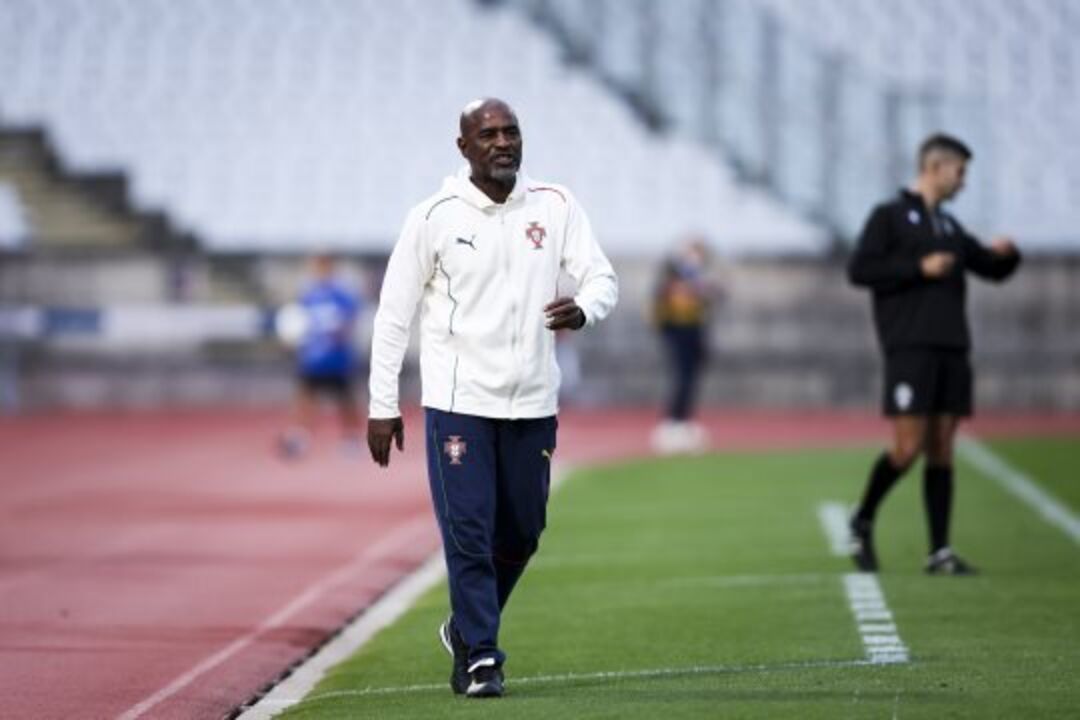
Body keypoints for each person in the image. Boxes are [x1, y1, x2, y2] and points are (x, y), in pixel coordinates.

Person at [366, 98, 617, 698]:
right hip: (459, 401)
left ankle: (464, 626)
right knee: (468, 533)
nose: (503, 143)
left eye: (511, 132)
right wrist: (383, 404)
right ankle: (482, 656)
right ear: (464, 147)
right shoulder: (433, 216)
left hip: (533, 401)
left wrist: (585, 308)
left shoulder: (555, 205)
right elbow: (393, 316)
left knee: (523, 531)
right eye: (489, 135)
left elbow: (601, 276)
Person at [847, 133, 1020, 575]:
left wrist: (1008, 255)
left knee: (942, 446)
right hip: (910, 347)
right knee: (908, 447)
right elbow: (860, 269)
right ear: (935, 167)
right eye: (959, 172)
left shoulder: (948, 226)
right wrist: (916, 268)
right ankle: (862, 518)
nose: (963, 182)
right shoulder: (889, 216)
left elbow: (989, 268)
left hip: (952, 347)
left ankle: (939, 551)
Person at [277, 253, 363, 458]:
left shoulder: (342, 295)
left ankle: (351, 440)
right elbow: (297, 323)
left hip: (336, 358)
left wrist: (336, 334)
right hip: (312, 359)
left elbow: (349, 322)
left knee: (346, 401)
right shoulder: (308, 296)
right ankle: (299, 438)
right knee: (305, 399)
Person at [649, 237, 720, 453]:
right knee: (682, 375)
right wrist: (665, 330)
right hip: (678, 331)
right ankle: (674, 420)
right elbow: (661, 304)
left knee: (691, 376)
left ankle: (683, 418)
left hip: (696, 331)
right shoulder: (672, 276)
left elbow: (709, 301)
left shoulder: (700, 278)